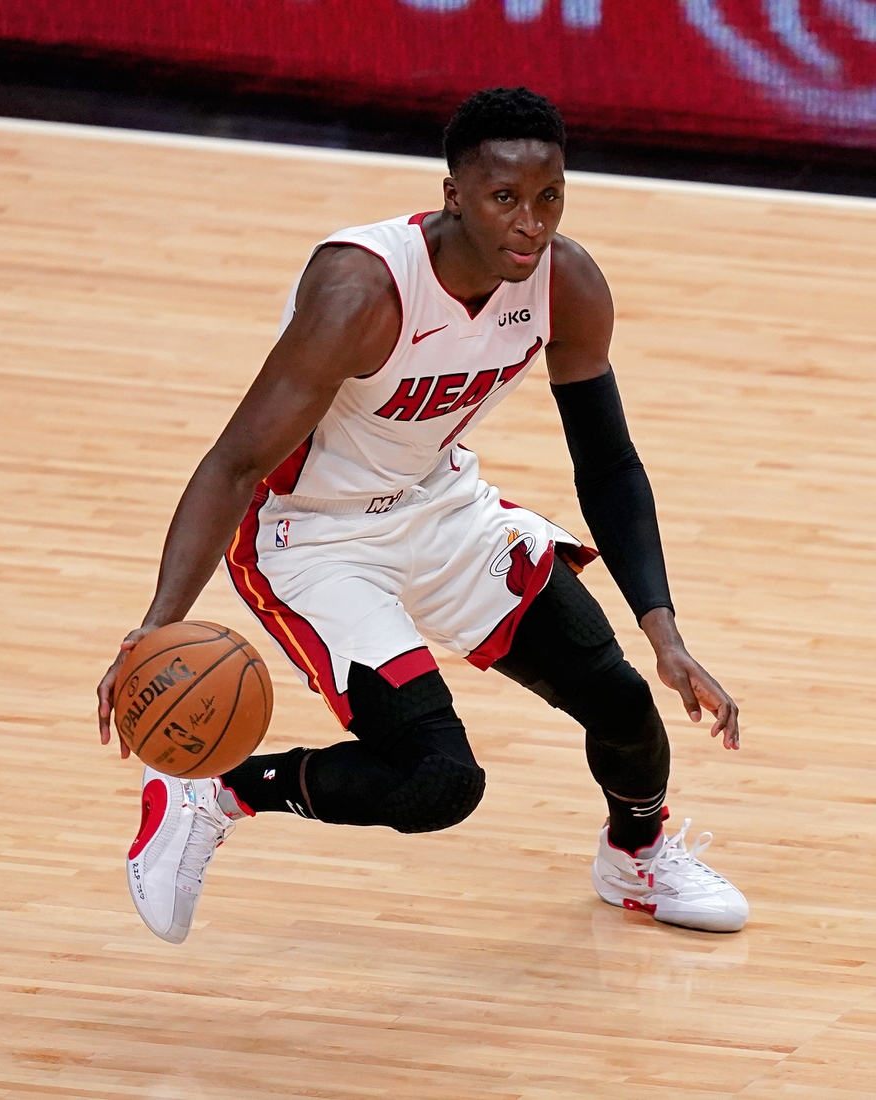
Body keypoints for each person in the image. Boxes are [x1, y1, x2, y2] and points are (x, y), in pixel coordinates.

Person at [98, 87, 748, 944]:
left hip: (441, 507)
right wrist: (154, 626)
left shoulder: (566, 282)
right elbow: (235, 461)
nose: (530, 223)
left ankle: (636, 857)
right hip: (313, 537)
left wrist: (664, 631)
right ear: (454, 197)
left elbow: (609, 462)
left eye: (548, 197)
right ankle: (214, 792)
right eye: (504, 198)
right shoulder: (361, 289)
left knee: (625, 705)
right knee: (439, 785)